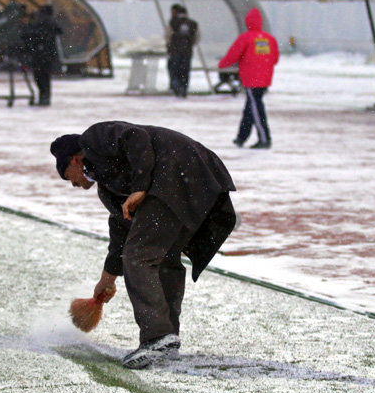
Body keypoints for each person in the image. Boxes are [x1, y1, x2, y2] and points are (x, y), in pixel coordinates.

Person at [50, 122, 237, 369]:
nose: (72, 184)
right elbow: (122, 228)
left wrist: (139, 188)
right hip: (190, 180)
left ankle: (157, 336)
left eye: (67, 177)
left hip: (181, 171)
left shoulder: (93, 139)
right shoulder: (107, 186)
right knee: (163, 259)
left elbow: (136, 137)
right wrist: (108, 278)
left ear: (74, 160)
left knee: (139, 256)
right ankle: (167, 339)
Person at [219, 7, 279, 149]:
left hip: (251, 79)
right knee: (250, 107)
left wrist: (222, 64)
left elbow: (233, 55)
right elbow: (274, 59)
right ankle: (241, 137)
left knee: (256, 108)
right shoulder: (269, 39)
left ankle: (264, 138)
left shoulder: (245, 38)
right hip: (264, 79)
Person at [22, 4, 63, 106]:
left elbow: (31, 35)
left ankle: (44, 98)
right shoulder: (50, 23)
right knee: (44, 78)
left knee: (41, 78)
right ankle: (44, 98)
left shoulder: (44, 23)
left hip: (40, 54)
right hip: (45, 54)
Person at [166, 4, 199, 98]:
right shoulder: (193, 23)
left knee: (174, 69)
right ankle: (183, 89)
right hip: (187, 51)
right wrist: (189, 44)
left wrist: (170, 45)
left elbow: (168, 36)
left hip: (175, 51)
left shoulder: (173, 22)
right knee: (185, 71)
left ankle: (176, 87)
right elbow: (197, 38)